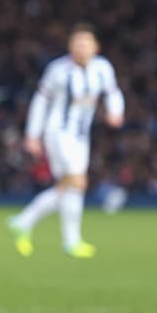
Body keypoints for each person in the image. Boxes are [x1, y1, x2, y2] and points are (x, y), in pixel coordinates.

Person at [8, 23, 125, 258]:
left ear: (96, 47)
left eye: (86, 43)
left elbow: (113, 92)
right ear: (70, 47)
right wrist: (33, 135)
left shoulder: (102, 68)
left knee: (72, 188)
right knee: (77, 181)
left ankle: (69, 241)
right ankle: (26, 220)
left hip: (82, 136)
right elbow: (40, 102)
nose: (81, 48)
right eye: (77, 44)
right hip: (58, 133)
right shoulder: (58, 70)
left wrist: (116, 112)